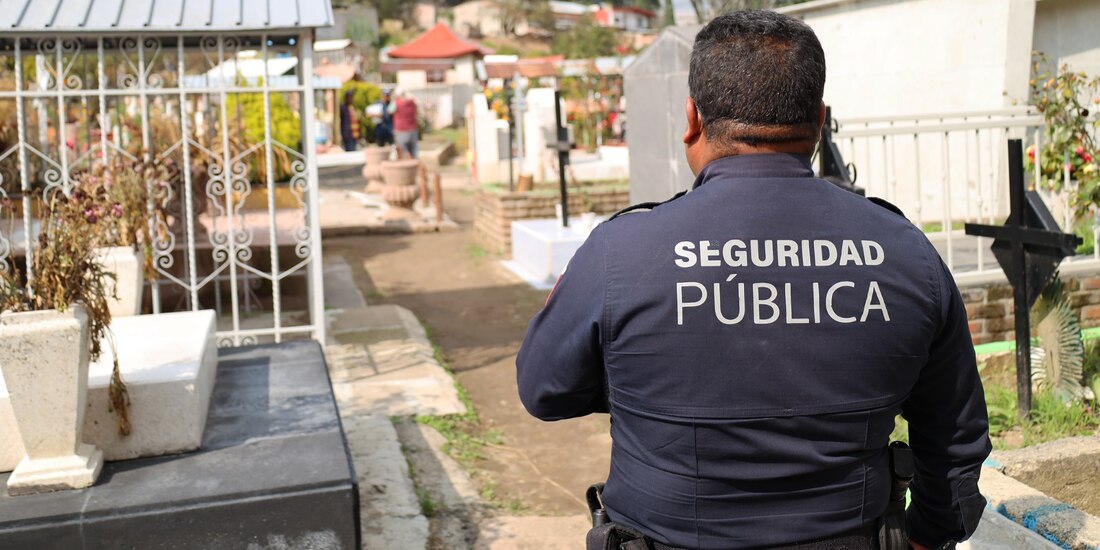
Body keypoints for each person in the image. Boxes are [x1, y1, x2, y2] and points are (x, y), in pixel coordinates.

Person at [516, 10, 990, 550]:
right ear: (819, 118)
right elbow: (954, 440)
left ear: (692, 118)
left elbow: (544, 390)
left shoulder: (622, 253)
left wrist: (651, 376)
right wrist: (926, 539)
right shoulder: (905, 253)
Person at [393, 92, 419, 158]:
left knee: (403, 153)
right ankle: (414, 166)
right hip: (413, 130)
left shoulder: (396, 103)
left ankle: (406, 167)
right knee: (414, 153)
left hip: (401, 131)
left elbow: (389, 110)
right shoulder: (413, 103)